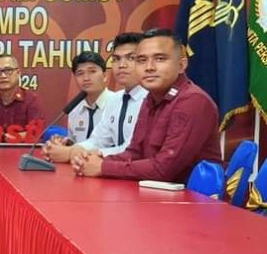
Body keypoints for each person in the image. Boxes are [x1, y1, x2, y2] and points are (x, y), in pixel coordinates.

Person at [72, 28, 221, 182]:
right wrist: (94, 161)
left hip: (191, 195)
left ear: (181, 65)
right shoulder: (151, 98)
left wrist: (103, 167)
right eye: (142, 60)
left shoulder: (192, 101)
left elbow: (163, 169)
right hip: (153, 192)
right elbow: (134, 153)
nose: (149, 67)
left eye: (160, 59)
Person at [44, 34, 147, 162]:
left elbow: (133, 150)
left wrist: (73, 154)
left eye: (130, 58)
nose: (122, 65)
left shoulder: (151, 99)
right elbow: (98, 140)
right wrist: (70, 149)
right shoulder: (116, 100)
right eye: (116, 59)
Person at [65, 51, 116, 144]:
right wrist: (65, 143)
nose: (86, 78)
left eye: (92, 71)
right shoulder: (74, 110)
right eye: (80, 73)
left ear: (104, 76)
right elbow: (74, 142)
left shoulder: (117, 104)